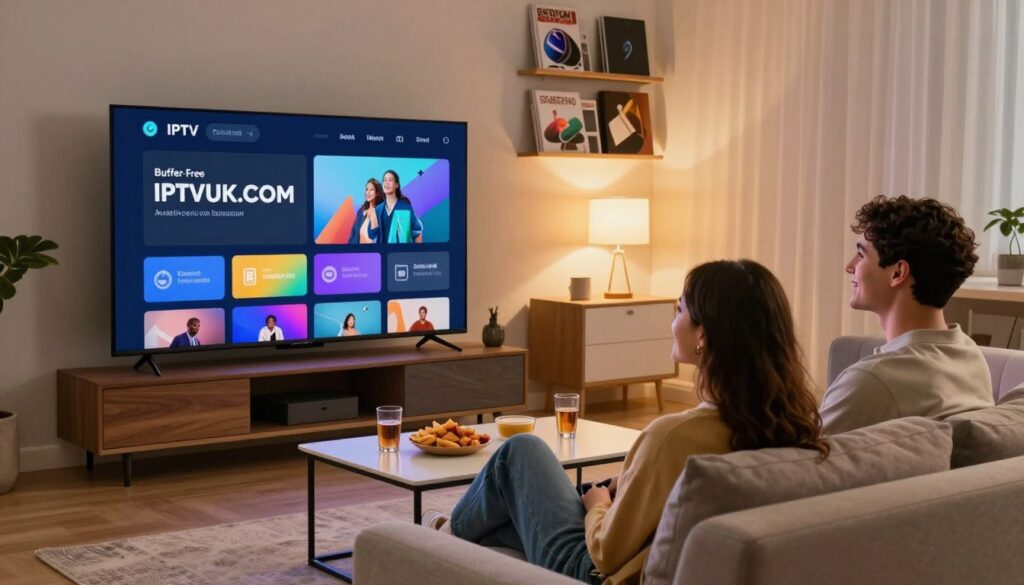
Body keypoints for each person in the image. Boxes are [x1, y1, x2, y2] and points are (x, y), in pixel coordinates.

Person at [422, 260, 828, 584]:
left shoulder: (672, 436)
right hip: (644, 553)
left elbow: (606, 551)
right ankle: (460, 541)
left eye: (679, 310)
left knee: (519, 453)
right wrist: (626, 486)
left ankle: (443, 542)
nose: (672, 321)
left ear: (703, 335)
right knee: (516, 513)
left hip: (595, 572)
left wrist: (598, 505)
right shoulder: (793, 427)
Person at [820, 195, 994, 435]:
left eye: (861, 255)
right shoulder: (971, 357)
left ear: (898, 272)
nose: (849, 267)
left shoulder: (872, 381)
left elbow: (794, 461)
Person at [368, 170, 424, 244]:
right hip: (384, 254)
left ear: (396, 185)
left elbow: (417, 232)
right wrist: (373, 220)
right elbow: (372, 236)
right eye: (385, 180)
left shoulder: (405, 207)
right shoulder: (378, 210)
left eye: (390, 180)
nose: (387, 182)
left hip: (402, 253)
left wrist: (417, 254)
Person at [347, 178, 383, 244]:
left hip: (374, 252)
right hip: (358, 252)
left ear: (377, 193)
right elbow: (354, 235)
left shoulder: (381, 212)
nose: (368, 192)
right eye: (367, 189)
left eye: (371, 189)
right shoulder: (361, 212)